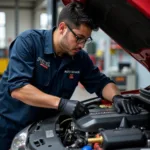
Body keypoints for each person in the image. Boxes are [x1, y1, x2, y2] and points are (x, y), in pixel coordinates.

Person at [0, 2, 140, 150]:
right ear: (62, 28)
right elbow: (18, 89)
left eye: (86, 40)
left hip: (44, 128)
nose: (82, 45)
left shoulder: (79, 59)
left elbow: (102, 82)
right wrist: (62, 103)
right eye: (79, 38)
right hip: (8, 127)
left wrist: (116, 97)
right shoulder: (29, 42)